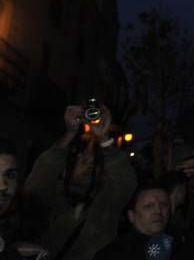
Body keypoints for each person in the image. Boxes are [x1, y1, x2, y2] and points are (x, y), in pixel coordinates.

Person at [22, 104, 137, 260]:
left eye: (94, 164)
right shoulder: (50, 196)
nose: (89, 167)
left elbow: (125, 181)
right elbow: (38, 180)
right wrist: (69, 133)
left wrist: (104, 139)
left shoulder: (106, 204)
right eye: (83, 160)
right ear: (67, 167)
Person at [94, 184, 173, 259]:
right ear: (131, 215)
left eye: (164, 204)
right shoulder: (112, 254)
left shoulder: (179, 246)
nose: (158, 211)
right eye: (149, 206)